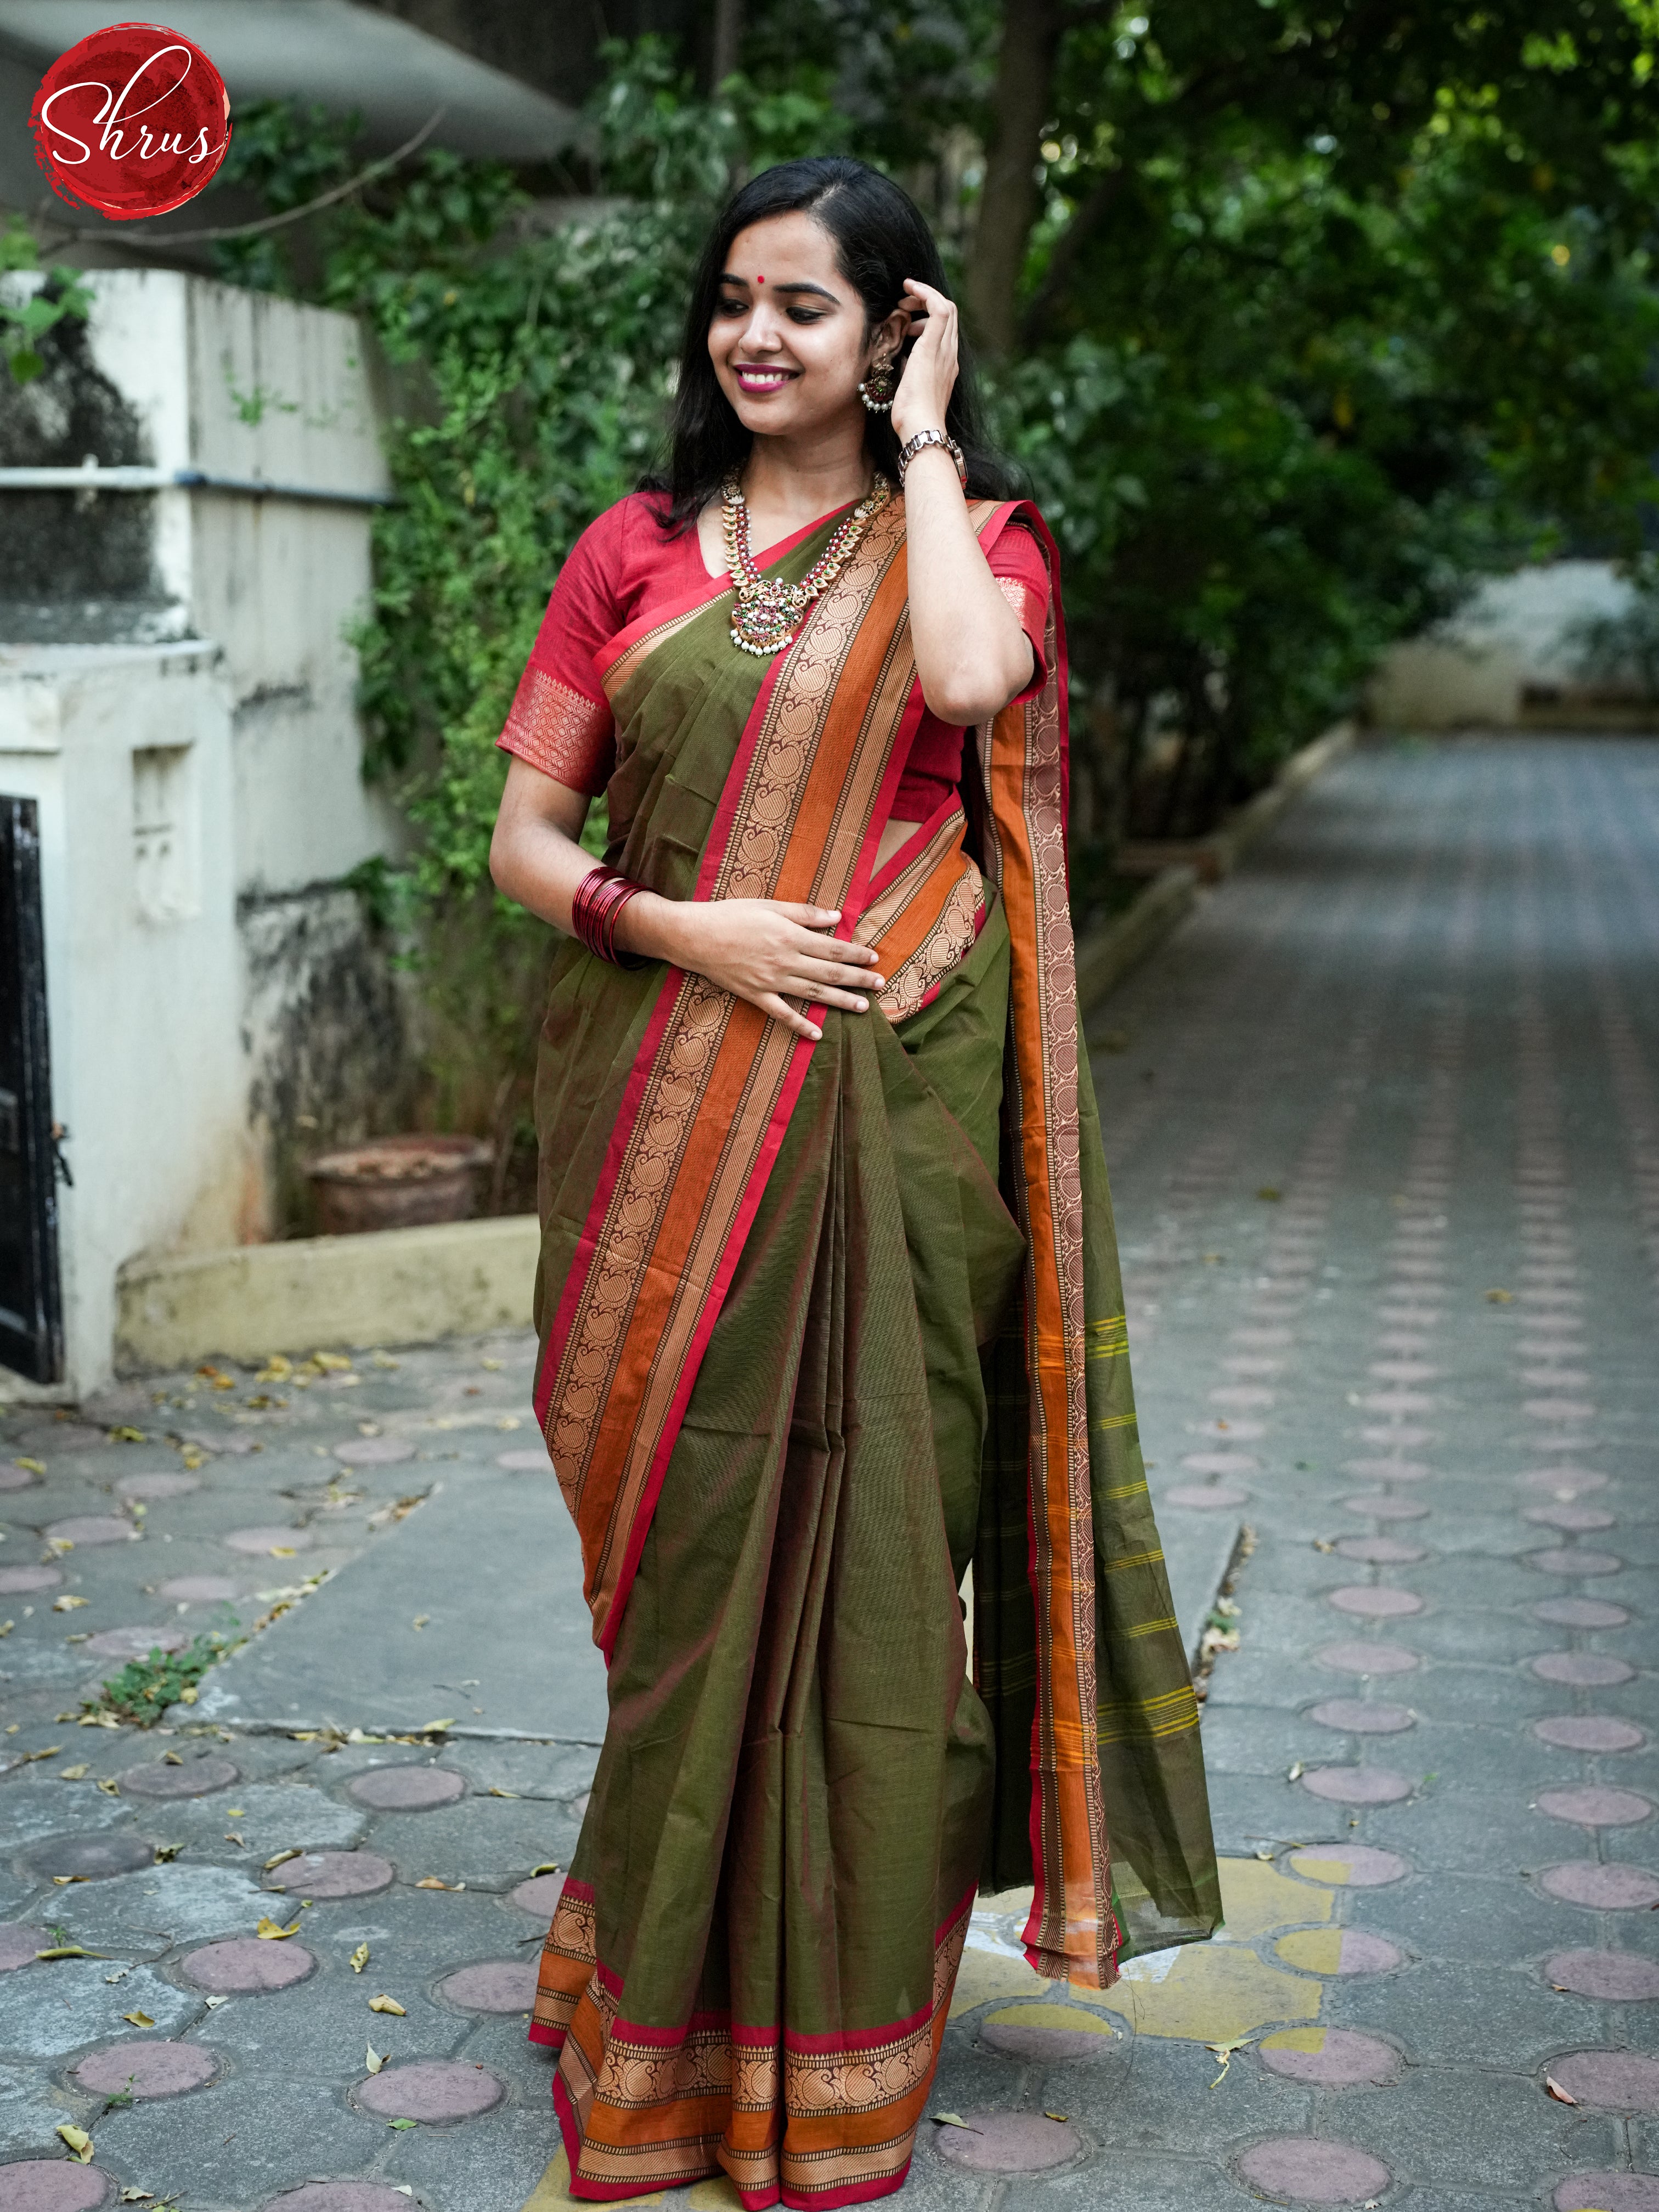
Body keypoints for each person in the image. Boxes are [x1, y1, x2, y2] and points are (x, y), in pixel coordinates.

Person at [488, 154, 1219, 2210]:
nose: (752, 336)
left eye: (806, 306)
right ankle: (665, 1983)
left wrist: (919, 440)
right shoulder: (628, 553)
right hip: (660, 1085)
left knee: (878, 1550)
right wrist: (683, 927)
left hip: (892, 1108)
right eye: (733, 300)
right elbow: (526, 846)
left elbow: (974, 686)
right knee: (693, 1559)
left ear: (891, 325)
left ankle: (829, 2025)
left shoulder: (969, 541)